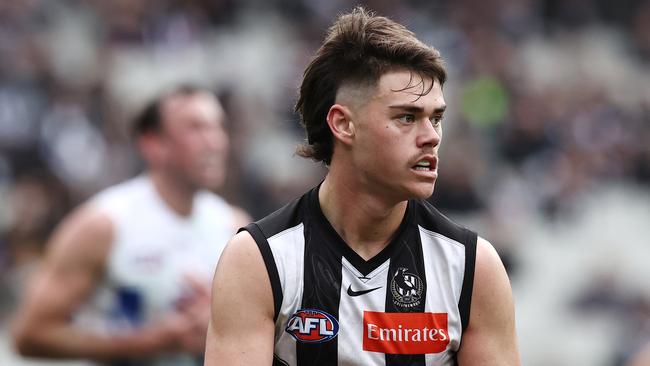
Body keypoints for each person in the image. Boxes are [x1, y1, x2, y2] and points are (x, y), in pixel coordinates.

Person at [205, 7, 520, 366]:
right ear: (343, 125)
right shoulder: (260, 260)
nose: (432, 137)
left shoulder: (473, 267)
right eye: (407, 117)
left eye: (436, 118)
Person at [12, 85, 250, 366]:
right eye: (195, 128)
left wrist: (222, 319)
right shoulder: (103, 225)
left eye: (218, 127)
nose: (215, 142)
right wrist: (146, 341)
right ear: (153, 144)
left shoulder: (233, 225)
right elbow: (29, 335)